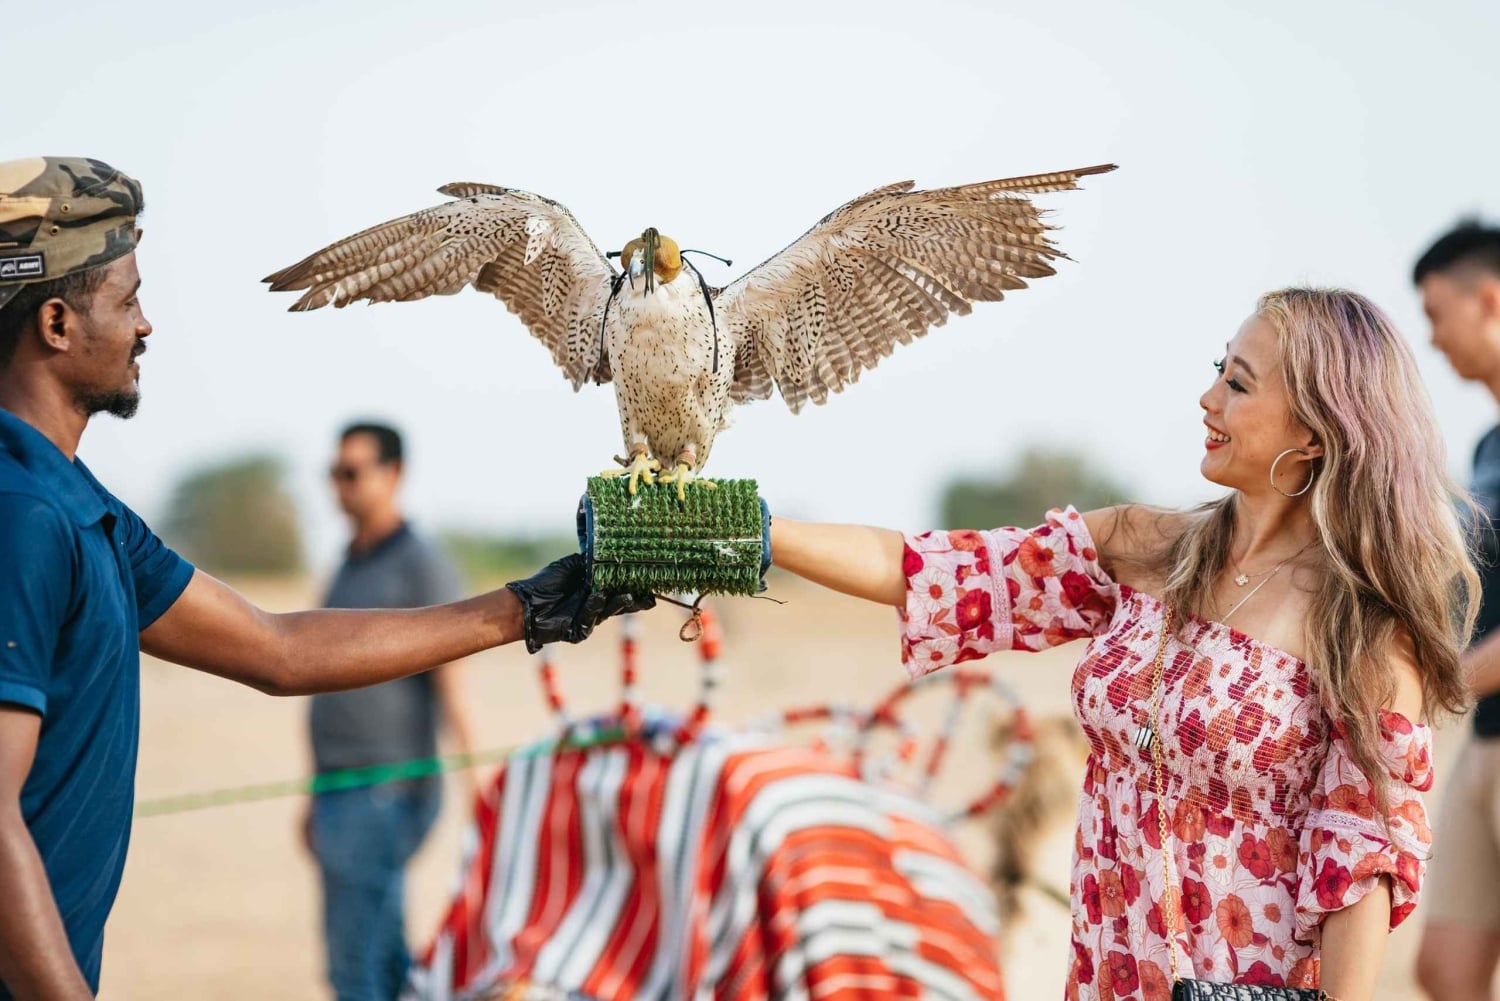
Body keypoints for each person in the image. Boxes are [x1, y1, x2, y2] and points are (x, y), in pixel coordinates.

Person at [0, 157, 650, 1000]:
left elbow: (279, 650)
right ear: (56, 321)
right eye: (127, 301)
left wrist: (535, 604)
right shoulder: (23, 514)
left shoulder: (83, 507)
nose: (148, 325)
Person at [768, 287, 1478, 1001]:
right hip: (1106, 976)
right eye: (1217, 369)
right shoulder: (1142, 547)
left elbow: (1357, 868)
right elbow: (931, 568)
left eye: (1237, 384)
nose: (1207, 398)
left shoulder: (1364, 628)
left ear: (1316, 432)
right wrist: (755, 533)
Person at [305, 421, 480, 1001]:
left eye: (351, 473)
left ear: (393, 475)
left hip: (387, 792)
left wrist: (474, 783)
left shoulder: (418, 560)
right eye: (334, 473)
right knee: (381, 956)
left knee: (354, 966)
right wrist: (316, 793)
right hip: (338, 789)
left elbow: (453, 678)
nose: (340, 487)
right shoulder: (347, 561)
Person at [1411, 221, 1500, 1001]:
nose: (1432, 339)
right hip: (1485, 734)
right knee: (1443, 970)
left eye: (1436, 313)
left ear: (1490, 300)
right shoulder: (1486, 449)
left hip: (1479, 706)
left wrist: (1432, 684)